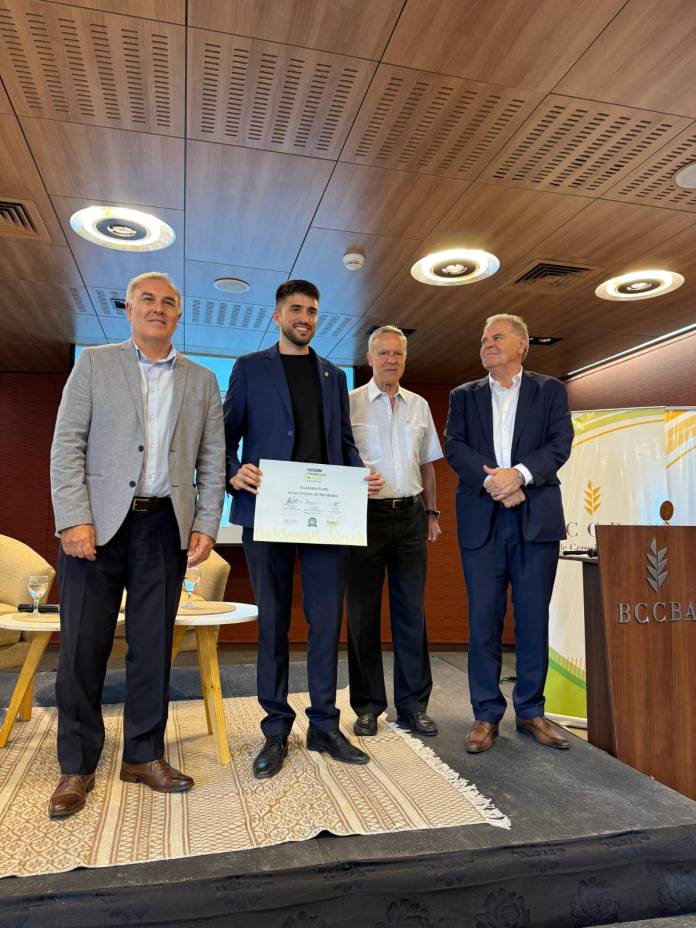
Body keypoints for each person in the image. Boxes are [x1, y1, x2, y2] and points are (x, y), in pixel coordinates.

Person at [49, 272, 225, 818]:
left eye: (169, 302)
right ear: (128, 309)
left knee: (152, 647)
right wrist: (73, 519)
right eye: (147, 299)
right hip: (96, 528)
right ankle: (77, 765)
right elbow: (67, 445)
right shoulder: (94, 364)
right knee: (83, 648)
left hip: (164, 527)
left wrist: (206, 523)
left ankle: (143, 755)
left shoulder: (202, 380)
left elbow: (212, 460)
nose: (158, 307)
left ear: (178, 315)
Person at [223, 279, 383, 779]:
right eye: (296, 309)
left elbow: (344, 442)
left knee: (325, 622)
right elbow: (223, 436)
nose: (304, 318)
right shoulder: (249, 368)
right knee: (273, 622)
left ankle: (324, 726)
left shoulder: (334, 376)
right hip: (266, 512)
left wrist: (361, 476)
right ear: (277, 316)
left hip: (326, 516)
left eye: (312, 311)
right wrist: (233, 471)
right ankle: (275, 728)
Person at [444, 314, 573, 754]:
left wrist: (518, 475)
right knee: (483, 619)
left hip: (536, 519)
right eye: (483, 339)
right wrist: (494, 482)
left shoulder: (550, 390)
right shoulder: (463, 396)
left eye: (496, 337)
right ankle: (485, 714)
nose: (487, 344)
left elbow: (559, 443)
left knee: (533, 617)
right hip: (482, 519)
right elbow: (455, 447)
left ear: (522, 345)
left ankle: (532, 711)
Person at [346, 326, 443, 739]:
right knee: (362, 615)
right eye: (383, 353)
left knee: (411, 614)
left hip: (409, 519)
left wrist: (431, 513)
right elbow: (335, 460)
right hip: (363, 519)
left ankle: (413, 707)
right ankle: (367, 707)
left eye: (398, 354)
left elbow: (427, 465)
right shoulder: (349, 403)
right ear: (370, 358)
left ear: (405, 359)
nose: (391, 360)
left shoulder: (419, 405)